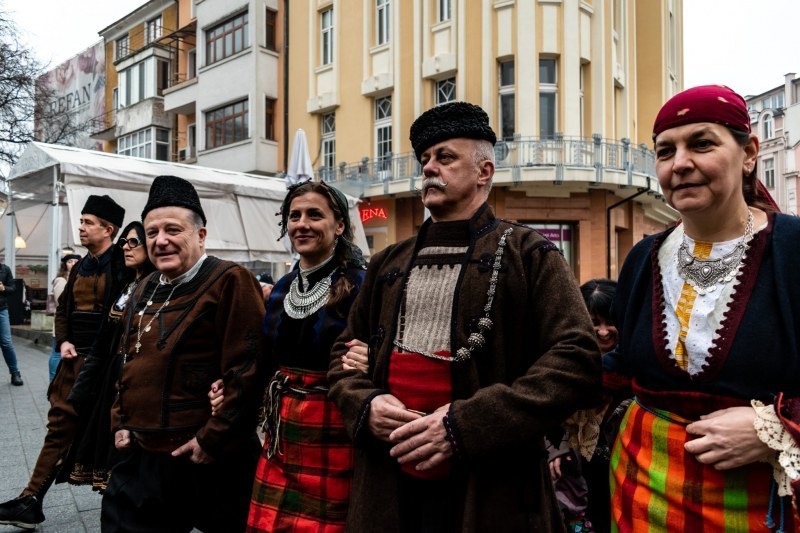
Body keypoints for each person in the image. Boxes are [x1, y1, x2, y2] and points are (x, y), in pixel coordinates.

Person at [326, 101, 602, 531]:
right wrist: (366, 404)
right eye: (425, 160)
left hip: (493, 491)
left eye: (445, 157)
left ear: (484, 172)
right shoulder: (386, 262)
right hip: (389, 489)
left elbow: (577, 360)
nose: (429, 169)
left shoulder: (530, 253)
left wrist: (465, 426)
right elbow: (343, 355)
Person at [604, 85, 800, 531]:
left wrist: (774, 429)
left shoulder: (793, 249)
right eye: (665, 150)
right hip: (640, 488)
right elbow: (617, 367)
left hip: (764, 502)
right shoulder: (643, 257)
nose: (680, 164)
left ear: (749, 152)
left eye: (702, 143)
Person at [102, 175, 265, 532]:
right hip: (143, 456)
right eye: (152, 232)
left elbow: (248, 368)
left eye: (173, 230)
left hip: (208, 458)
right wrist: (121, 420)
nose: (160, 241)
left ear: (201, 235)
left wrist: (212, 438)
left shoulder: (230, 281)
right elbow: (126, 358)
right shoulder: (144, 285)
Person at [212, 180, 368, 532]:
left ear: (339, 225)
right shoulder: (282, 288)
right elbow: (264, 360)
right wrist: (231, 387)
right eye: (294, 215)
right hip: (283, 431)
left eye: (315, 214)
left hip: (334, 430)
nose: (302, 224)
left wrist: (372, 358)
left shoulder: (361, 284)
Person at [0, 194, 125, 530]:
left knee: (115, 437)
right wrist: (65, 340)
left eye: (88, 222)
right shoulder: (81, 265)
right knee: (59, 428)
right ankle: (30, 500)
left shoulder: (122, 265)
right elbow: (64, 310)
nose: (80, 227)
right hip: (75, 362)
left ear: (108, 229)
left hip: (109, 369)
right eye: (81, 221)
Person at [65, 221, 155, 491]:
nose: (126, 248)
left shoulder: (155, 288)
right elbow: (103, 340)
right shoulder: (125, 286)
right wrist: (82, 387)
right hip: (109, 378)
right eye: (124, 243)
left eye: (133, 242)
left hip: (134, 380)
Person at [547, 279, 619, 533]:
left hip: (621, 471)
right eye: (594, 323)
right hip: (575, 473)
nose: (603, 331)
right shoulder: (560, 361)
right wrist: (556, 447)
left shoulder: (637, 365)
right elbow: (543, 411)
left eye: (610, 322)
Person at [48, 253, 80, 381]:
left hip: (73, 324)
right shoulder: (61, 280)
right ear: (64, 265)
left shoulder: (77, 278)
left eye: (76, 261)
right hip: (62, 324)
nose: (73, 264)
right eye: (69, 261)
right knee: (56, 353)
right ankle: (53, 380)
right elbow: (62, 304)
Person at [0, 258, 22, 386]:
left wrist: (3, 288)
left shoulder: (5, 269)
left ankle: (15, 373)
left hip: (1, 310)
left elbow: (13, 288)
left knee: (6, 342)